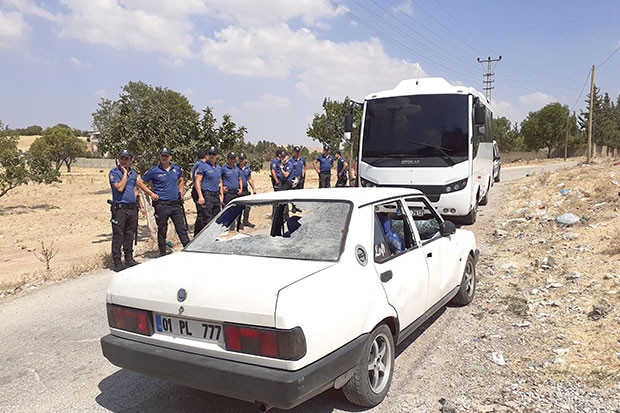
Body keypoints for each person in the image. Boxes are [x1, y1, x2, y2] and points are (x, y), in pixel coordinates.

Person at [140, 148, 190, 257]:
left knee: (181, 229)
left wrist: (181, 191)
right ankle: (162, 253)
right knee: (162, 229)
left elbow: (181, 180)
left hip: (176, 204)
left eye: (166, 156)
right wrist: (151, 194)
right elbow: (140, 182)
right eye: (162, 155)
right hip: (162, 205)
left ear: (170, 157)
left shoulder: (176, 169)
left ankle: (189, 251)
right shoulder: (154, 170)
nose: (164, 158)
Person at [108, 149, 145, 272]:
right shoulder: (114, 173)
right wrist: (124, 173)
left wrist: (140, 206)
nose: (123, 161)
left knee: (130, 234)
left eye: (126, 159)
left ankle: (129, 258)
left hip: (132, 208)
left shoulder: (133, 173)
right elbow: (119, 187)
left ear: (131, 160)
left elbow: (135, 190)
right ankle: (117, 262)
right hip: (120, 209)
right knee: (118, 235)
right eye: (122, 158)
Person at [195, 146, 223, 230]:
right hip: (207, 195)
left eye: (213, 154)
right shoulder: (203, 166)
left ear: (217, 156)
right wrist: (200, 196)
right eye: (210, 154)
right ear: (207, 155)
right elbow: (197, 181)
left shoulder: (219, 168)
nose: (211, 156)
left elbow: (220, 182)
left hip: (216, 195)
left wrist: (221, 195)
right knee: (207, 219)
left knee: (217, 218)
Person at [191, 149, 208, 236]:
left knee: (202, 213)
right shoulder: (201, 165)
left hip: (197, 190)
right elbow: (196, 177)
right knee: (202, 214)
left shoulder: (196, 164)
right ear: (206, 156)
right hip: (199, 191)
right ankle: (198, 234)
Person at [237, 153, 257, 228]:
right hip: (238, 189)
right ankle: (238, 222)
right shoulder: (235, 167)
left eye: (242, 159)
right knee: (239, 207)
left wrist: (253, 188)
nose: (241, 160)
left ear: (245, 159)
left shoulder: (247, 168)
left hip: (245, 189)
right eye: (240, 159)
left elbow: (249, 178)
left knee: (248, 206)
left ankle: (245, 221)